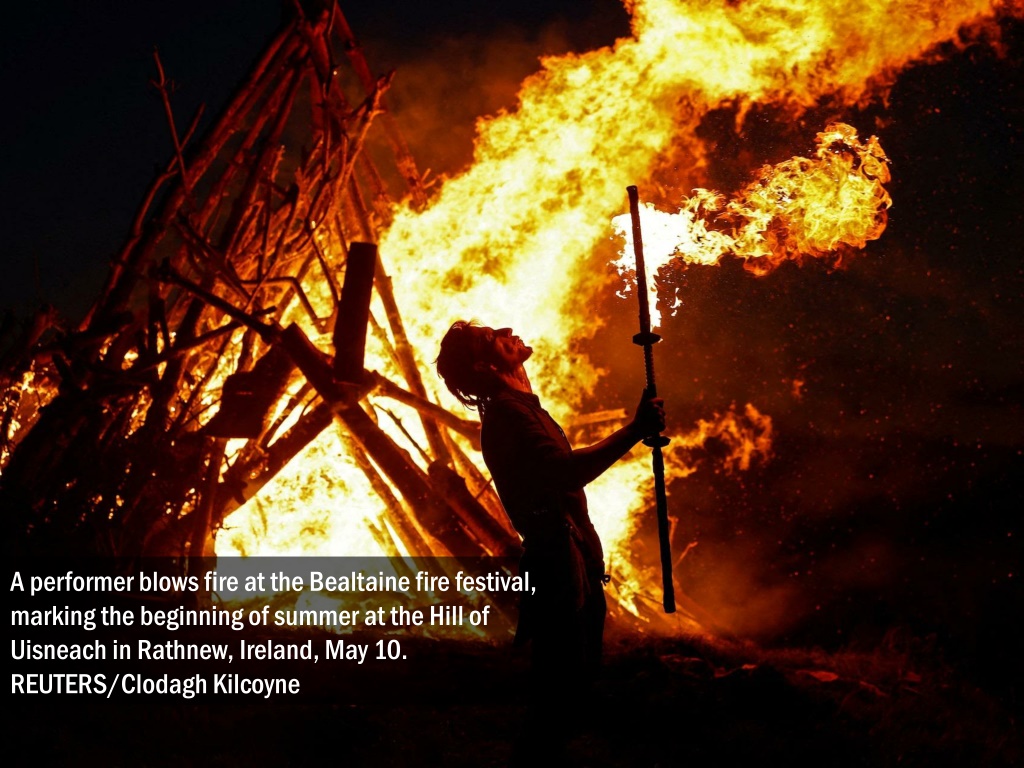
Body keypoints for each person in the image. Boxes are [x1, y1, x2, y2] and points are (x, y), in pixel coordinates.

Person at [436, 321, 665, 758]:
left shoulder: (521, 407)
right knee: (557, 706)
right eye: (490, 337)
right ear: (484, 365)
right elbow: (564, 474)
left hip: (571, 562)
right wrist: (636, 430)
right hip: (559, 570)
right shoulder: (508, 414)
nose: (505, 329)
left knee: (569, 697)